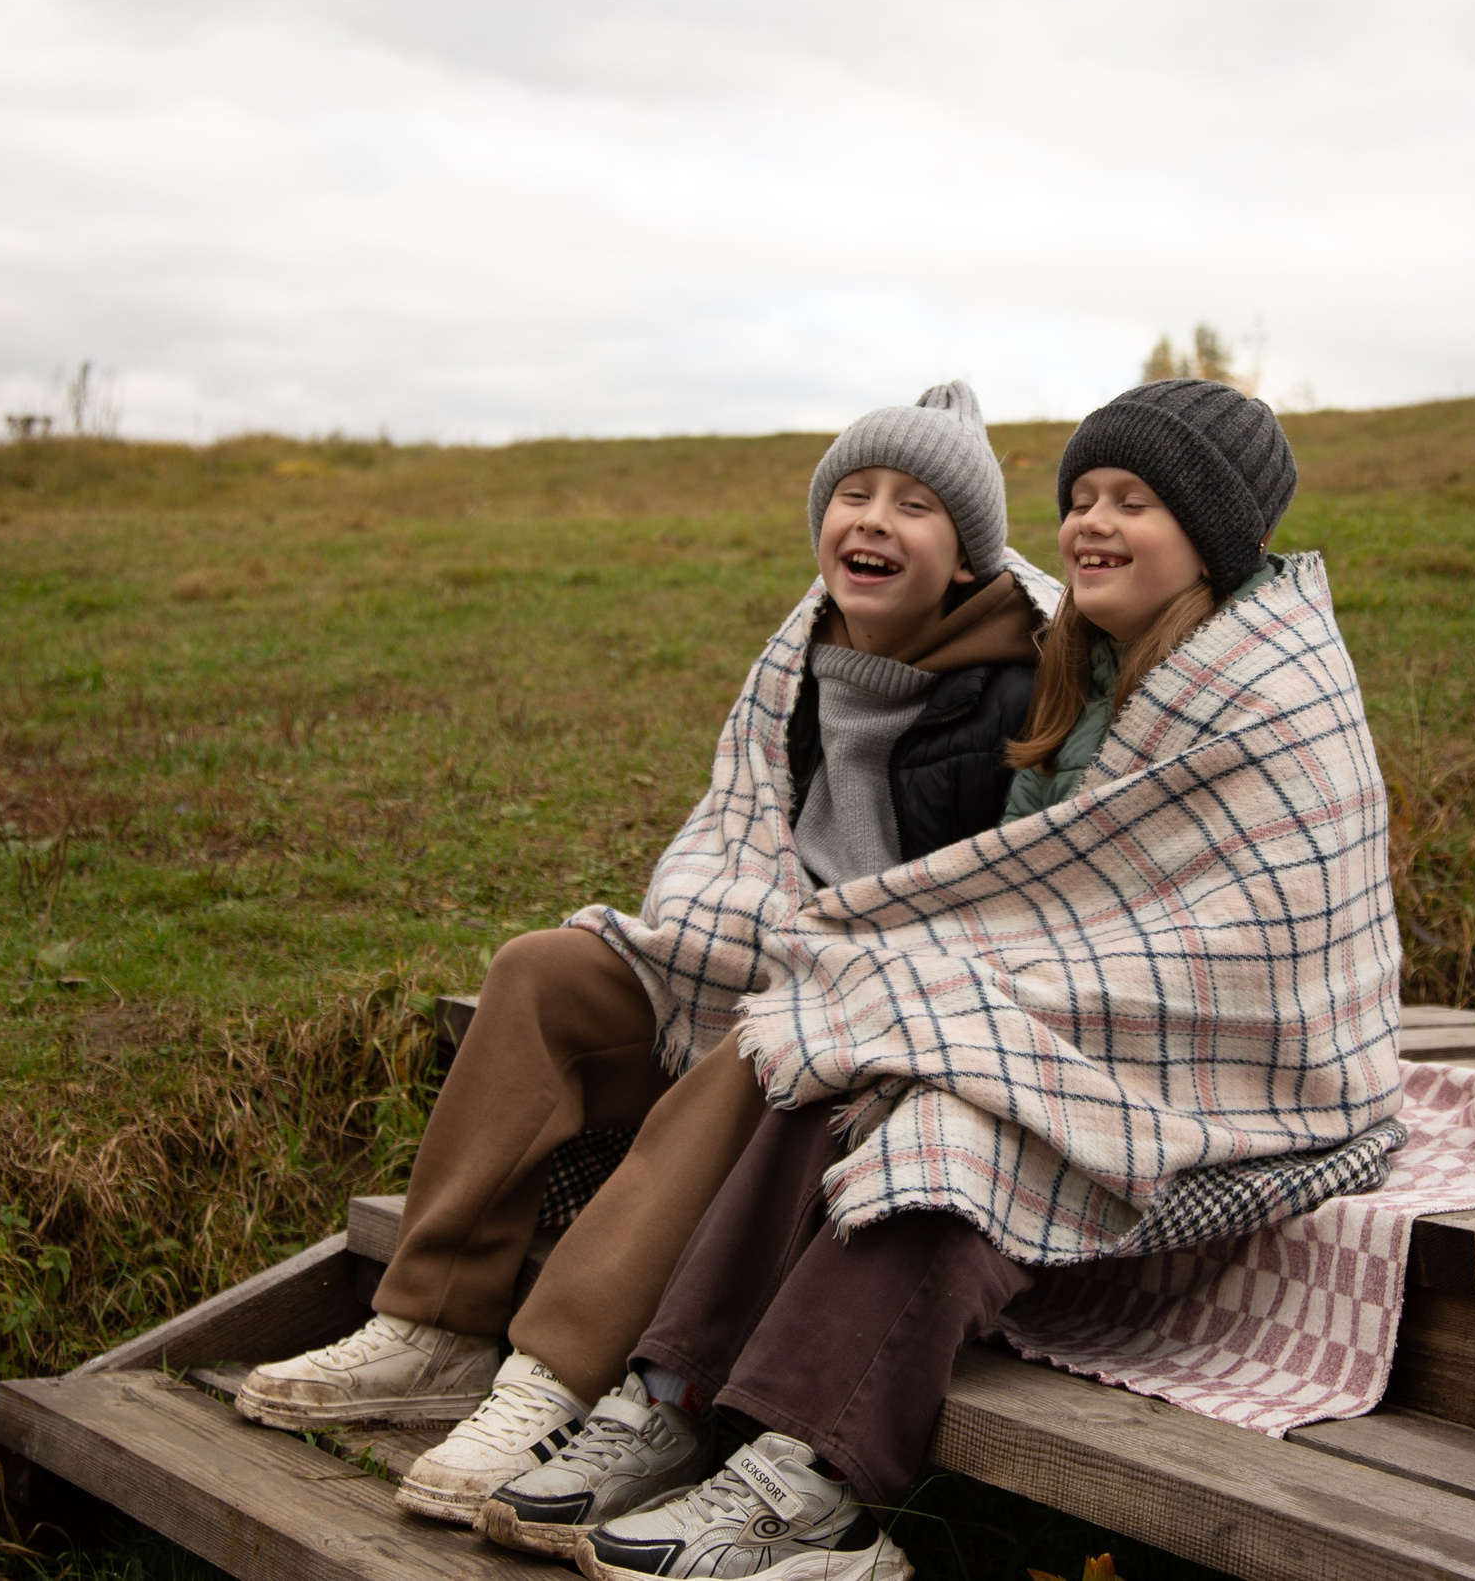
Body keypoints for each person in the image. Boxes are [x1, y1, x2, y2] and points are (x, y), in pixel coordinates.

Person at [484, 378, 1406, 1581]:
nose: (1091, 524)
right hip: (1088, 1019)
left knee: (960, 1129)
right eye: (1081, 497)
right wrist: (958, 992)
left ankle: (815, 1486)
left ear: (1213, 534)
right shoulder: (1086, 663)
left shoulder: (1269, 694)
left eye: (1135, 500)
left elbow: (1247, 945)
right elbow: (1037, 885)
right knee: (844, 1045)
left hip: (1256, 1088)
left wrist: (998, 1007)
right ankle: (671, 1394)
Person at [233, 382, 1049, 1527]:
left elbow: (1019, 904)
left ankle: (551, 1383)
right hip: (765, 966)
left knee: (765, 1046)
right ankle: (430, 1327)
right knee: (540, 973)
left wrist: (818, 970)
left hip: (880, 1032)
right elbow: (739, 826)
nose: (872, 520)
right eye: (852, 494)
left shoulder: (1027, 686)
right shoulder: (806, 656)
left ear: (967, 558)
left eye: (915, 505)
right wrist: (761, 935)